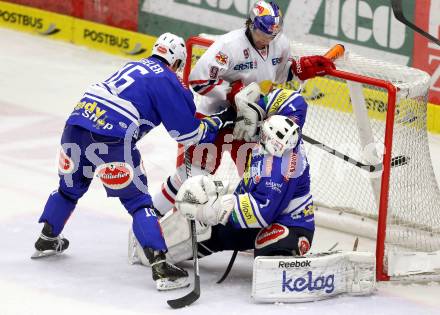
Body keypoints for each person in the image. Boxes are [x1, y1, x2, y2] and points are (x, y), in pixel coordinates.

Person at [31, 32, 235, 291]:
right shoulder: (165, 77)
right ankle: (161, 267)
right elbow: (187, 134)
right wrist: (218, 121)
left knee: (69, 189)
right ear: (176, 62)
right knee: (139, 203)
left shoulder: (132, 65)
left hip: (76, 125)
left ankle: (47, 237)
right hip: (112, 137)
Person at [153, 0, 334, 215]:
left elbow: (281, 72)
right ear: (251, 25)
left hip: (252, 122)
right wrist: (233, 93)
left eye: (271, 35)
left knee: (258, 175)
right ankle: (155, 215)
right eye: (262, 34)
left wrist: (299, 68)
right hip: (216, 118)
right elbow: (199, 81)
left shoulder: (280, 44)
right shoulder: (228, 46)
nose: (266, 40)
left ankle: (243, 226)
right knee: (192, 176)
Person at [130, 86, 314, 266]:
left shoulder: (279, 170)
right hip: (258, 214)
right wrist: (258, 107)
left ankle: (293, 250)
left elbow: (261, 213)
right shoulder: (288, 127)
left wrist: (212, 208)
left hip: (287, 222)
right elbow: (293, 99)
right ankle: (155, 245)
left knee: (272, 252)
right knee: (208, 231)